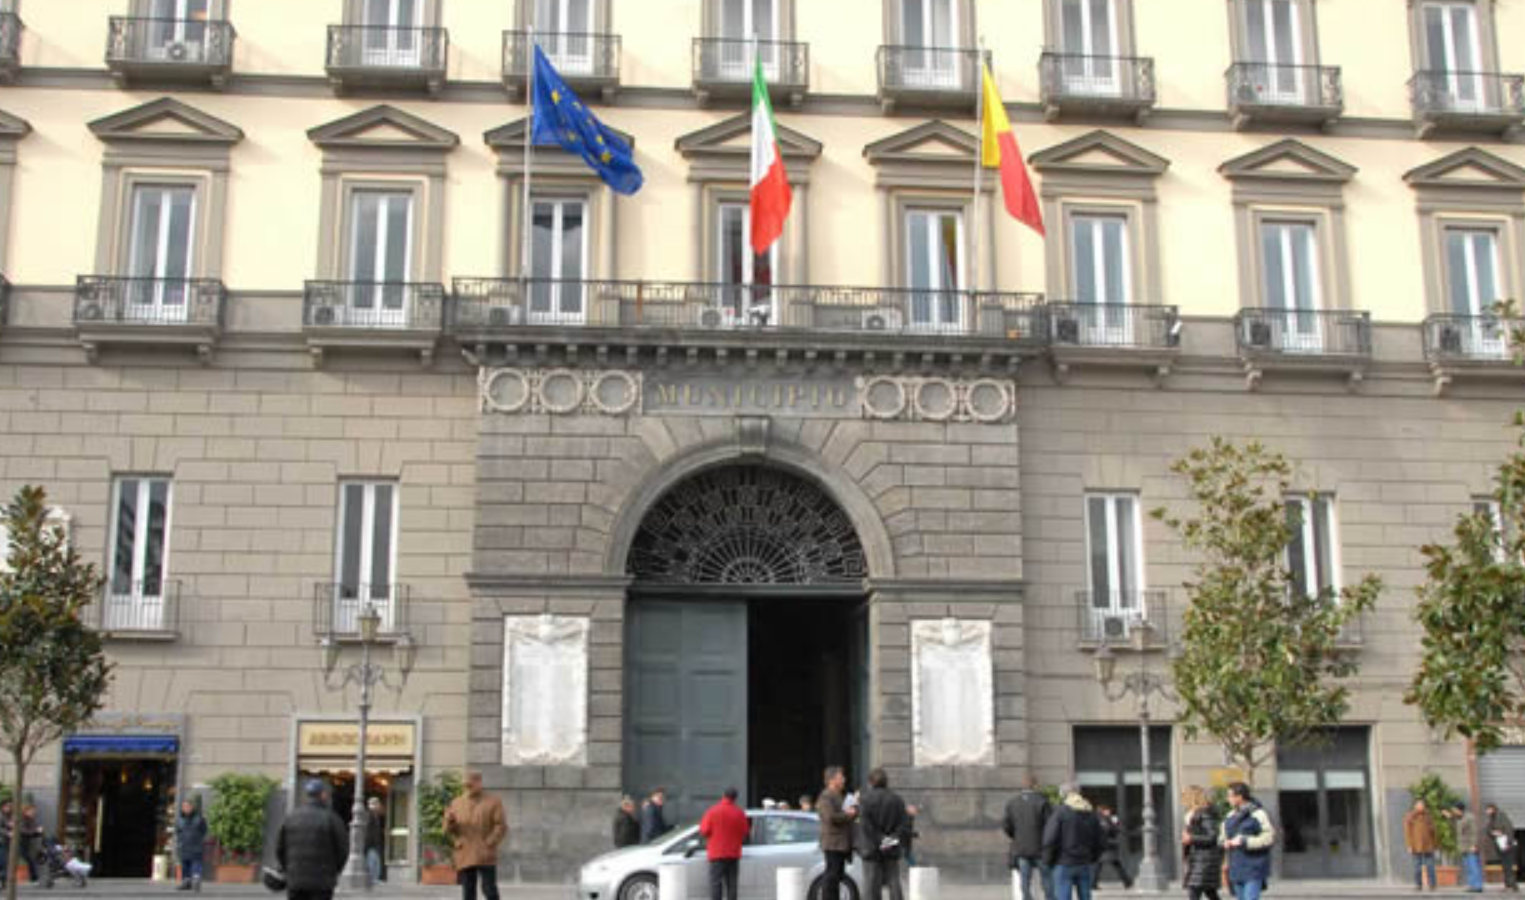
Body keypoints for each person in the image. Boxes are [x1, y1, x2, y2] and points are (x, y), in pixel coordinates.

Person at [276, 780, 348, 900]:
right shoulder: (332, 818)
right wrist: (335, 870)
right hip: (322, 881)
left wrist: (287, 868)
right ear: (323, 795)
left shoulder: (291, 817)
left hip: (295, 879)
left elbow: (280, 848)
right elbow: (343, 849)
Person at [445, 770, 508, 900]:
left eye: (470, 785)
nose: (467, 788)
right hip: (465, 851)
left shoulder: (493, 801)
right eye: (465, 785)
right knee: (468, 891)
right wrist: (450, 822)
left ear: (479, 783)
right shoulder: (456, 803)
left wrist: (490, 842)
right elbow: (450, 830)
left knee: (489, 890)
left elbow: (501, 826)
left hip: (485, 852)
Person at [1044, 783, 1105, 900]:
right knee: (1085, 897)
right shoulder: (1091, 813)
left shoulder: (1060, 812)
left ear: (1064, 795)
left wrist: (1048, 860)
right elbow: (1101, 840)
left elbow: (1049, 839)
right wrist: (1092, 857)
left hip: (1063, 862)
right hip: (1084, 862)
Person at [860, 768, 910, 900]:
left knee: (871, 884)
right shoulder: (897, 799)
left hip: (871, 848)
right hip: (891, 846)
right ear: (886, 782)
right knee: (894, 881)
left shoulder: (866, 800)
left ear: (870, 783)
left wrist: (881, 840)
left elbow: (867, 827)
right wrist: (889, 840)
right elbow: (903, 825)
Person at [1220, 783, 1275, 900]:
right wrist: (1224, 842)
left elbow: (1269, 837)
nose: (1227, 799)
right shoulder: (1229, 816)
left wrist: (1245, 841)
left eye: (1230, 795)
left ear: (1240, 797)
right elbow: (1222, 837)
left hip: (1254, 867)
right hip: (1236, 868)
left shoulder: (1258, 814)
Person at [1004, 775, 1054, 900]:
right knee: (1047, 879)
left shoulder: (1012, 803)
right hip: (1041, 849)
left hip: (1021, 848)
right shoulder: (1043, 802)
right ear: (1035, 785)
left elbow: (1006, 825)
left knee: (1025, 881)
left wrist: (1016, 835)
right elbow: (1051, 825)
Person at [698, 787, 748, 900]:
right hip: (733, 854)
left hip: (717, 854)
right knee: (732, 884)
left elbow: (704, 831)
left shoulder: (712, 811)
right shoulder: (739, 813)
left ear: (723, 795)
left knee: (716, 883)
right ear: (735, 798)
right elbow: (745, 832)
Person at [818, 766, 859, 900]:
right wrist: (848, 814)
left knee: (837, 877)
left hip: (841, 843)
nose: (844, 780)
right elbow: (830, 817)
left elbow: (845, 815)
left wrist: (854, 810)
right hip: (833, 843)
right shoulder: (826, 796)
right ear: (832, 780)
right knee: (832, 877)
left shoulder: (839, 795)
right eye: (841, 778)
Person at [1180, 787, 1224, 900]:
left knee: (1195, 891)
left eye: (1184, 797)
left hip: (1204, 860)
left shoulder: (1204, 814)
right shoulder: (1194, 815)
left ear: (1192, 798)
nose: (1183, 801)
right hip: (1198, 859)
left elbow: (1212, 837)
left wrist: (1191, 838)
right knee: (1210, 892)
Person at [1094, 804, 1133, 890]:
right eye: (1107, 810)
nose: (1109, 811)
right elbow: (1111, 830)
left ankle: (1093, 883)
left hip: (1102, 845)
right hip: (1107, 845)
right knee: (1115, 864)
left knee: (1100, 865)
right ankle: (1127, 882)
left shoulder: (1099, 819)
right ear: (1103, 810)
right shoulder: (1104, 819)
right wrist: (1114, 824)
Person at [174, 796, 208, 892]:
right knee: (185, 865)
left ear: (192, 807)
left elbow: (204, 830)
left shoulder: (199, 819)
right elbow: (177, 832)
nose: (186, 808)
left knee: (196, 864)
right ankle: (186, 883)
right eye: (184, 807)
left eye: (188, 806)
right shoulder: (179, 819)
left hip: (196, 846)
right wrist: (179, 843)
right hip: (184, 846)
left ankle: (196, 881)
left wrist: (199, 840)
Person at [1483, 803, 1519, 893]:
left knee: (1508, 865)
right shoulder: (1492, 819)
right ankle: (1509, 885)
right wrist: (1493, 832)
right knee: (1505, 866)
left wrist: (1508, 842)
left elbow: (1509, 829)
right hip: (1500, 844)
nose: (1487, 812)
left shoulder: (1501, 816)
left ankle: (1512, 886)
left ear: (1493, 809)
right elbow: (1487, 830)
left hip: (1507, 844)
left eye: (1488, 809)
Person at [1405, 799, 1438, 891]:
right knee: (1417, 867)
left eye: (1422, 804)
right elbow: (1407, 832)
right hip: (1416, 845)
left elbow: (1434, 831)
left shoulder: (1428, 816)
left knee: (1430, 866)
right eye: (1418, 805)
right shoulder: (1410, 817)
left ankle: (1432, 884)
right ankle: (1418, 884)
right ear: (1415, 806)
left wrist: (1435, 844)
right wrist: (1409, 845)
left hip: (1428, 845)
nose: (1420, 806)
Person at [1451, 803, 1484, 893]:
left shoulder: (1470, 818)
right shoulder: (1458, 818)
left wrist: (1474, 845)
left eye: (1454, 809)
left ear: (1460, 809)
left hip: (1470, 846)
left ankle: (1478, 886)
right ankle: (1472, 885)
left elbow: (1474, 832)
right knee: (1468, 867)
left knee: (1474, 866)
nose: (1453, 811)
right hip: (1463, 847)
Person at [364, 797, 387, 884]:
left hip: (373, 843)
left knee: (375, 861)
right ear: (374, 805)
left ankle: (374, 878)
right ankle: (372, 879)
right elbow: (368, 831)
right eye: (378, 804)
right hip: (372, 844)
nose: (380, 806)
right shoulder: (369, 815)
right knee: (373, 861)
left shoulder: (374, 815)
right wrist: (370, 843)